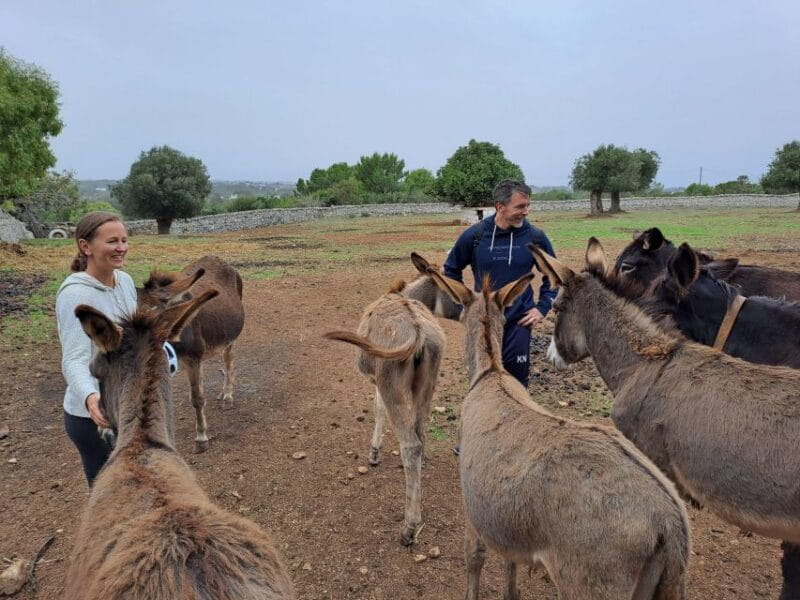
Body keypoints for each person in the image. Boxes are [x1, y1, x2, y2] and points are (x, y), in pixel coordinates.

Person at [444, 180, 557, 453]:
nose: (526, 211)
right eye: (520, 206)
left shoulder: (535, 238)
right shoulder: (475, 236)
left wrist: (542, 307)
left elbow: (553, 275)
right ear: (500, 207)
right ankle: (473, 438)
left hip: (518, 321)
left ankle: (517, 439)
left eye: (528, 205)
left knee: (516, 380)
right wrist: (465, 308)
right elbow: (451, 270)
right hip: (483, 325)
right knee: (480, 379)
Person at [55, 212, 137, 486]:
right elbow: (74, 359)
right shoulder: (75, 294)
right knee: (107, 492)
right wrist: (91, 398)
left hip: (125, 404)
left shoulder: (125, 282)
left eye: (124, 240)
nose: (121, 247)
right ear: (85, 246)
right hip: (94, 419)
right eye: (112, 241)